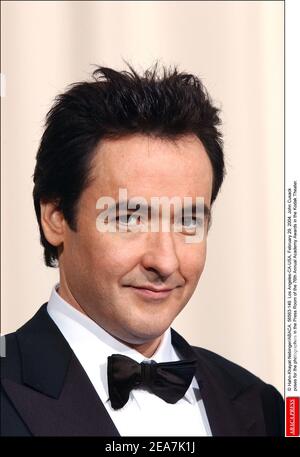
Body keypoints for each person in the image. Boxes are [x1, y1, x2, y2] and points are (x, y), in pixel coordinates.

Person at [0, 62, 284, 436]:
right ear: (55, 217)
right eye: (131, 219)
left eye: (188, 222)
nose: (165, 261)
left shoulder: (265, 407)